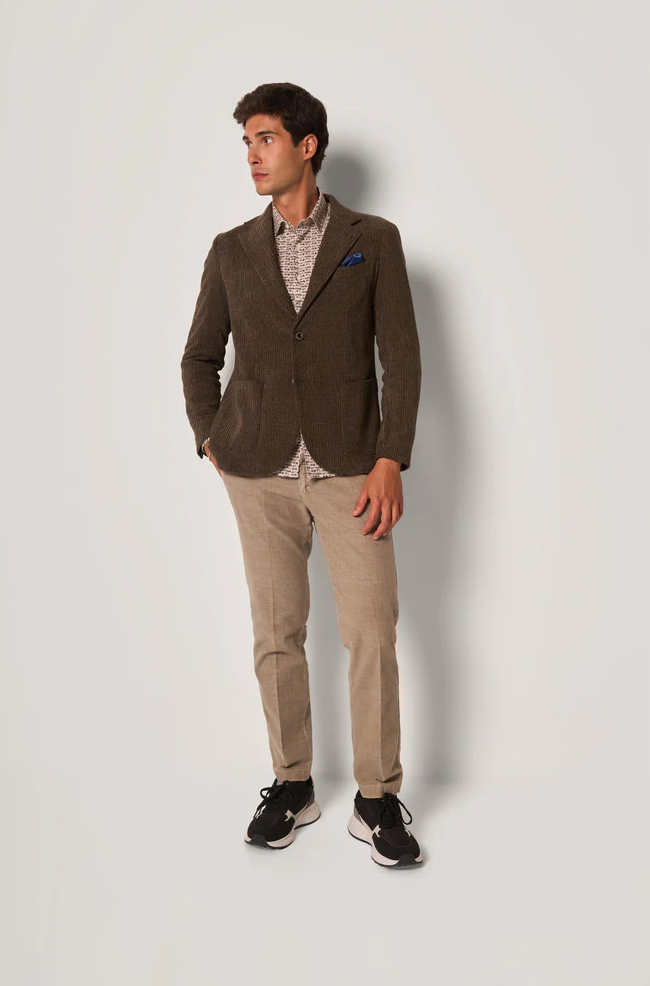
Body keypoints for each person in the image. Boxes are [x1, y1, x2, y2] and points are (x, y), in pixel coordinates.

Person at [181, 82, 423, 868]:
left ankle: (376, 797)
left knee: (370, 632)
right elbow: (198, 357)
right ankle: (292, 784)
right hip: (258, 474)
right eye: (246, 143)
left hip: (350, 469)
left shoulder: (371, 239)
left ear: (306, 145)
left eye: (265, 139)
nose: (252, 156)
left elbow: (401, 360)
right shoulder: (230, 249)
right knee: (276, 634)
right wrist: (210, 438)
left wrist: (388, 457)